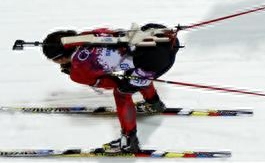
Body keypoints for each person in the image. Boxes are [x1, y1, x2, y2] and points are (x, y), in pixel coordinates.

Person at [42, 24, 180, 153]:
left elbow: (112, 83)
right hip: (164, 39)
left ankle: (129, 142)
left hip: (155, 61)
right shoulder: (86, 35)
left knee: (122, 93)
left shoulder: (78, 70)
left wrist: (77, 73)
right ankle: (154, 104)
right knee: (135, 76)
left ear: (60, 59)